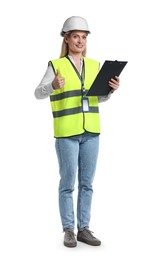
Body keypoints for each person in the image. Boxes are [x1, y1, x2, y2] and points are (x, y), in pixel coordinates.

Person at [34, 16, 120, 248]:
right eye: (75, 36)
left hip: (91, 131)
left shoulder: (94, 66)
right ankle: (68, 230)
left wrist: (110, 91)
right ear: (67, 38)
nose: (80, 41)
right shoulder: (56, 65)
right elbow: (38, 93)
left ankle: (83, 228)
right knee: (67, 183)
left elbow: (97, 98)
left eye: (83, 37)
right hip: (67, 133)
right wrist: (52, 86)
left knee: (87, 183)